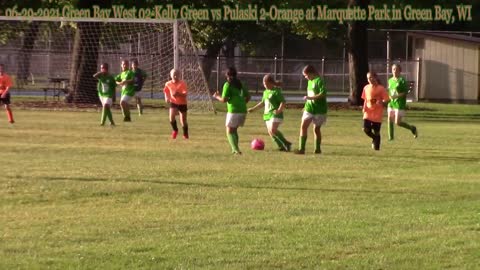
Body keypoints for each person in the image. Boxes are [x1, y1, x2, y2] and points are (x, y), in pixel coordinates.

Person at [248, 74, 291, 151]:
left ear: (272, 83)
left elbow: (283, 102)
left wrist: (279, 110)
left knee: (273, 129)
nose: (265, 85)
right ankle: (281, 146)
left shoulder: (276, 91)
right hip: (267, 115)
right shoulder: (265, 92)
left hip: (275, 114)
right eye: (264, 84)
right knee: (271, 132)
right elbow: (262, 103)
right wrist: (253, 109)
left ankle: (286, 143)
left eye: (267, 84)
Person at [213, 67, 250, 155]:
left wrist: (216, 96)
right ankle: (235, 149)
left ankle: (236, 150)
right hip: (243, 110)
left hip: (233, 110)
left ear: (227, 75)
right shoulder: (240, 83)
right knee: (234, 130)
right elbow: (248, 97)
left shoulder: (228, 84)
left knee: (229, 131)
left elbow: (224, 99)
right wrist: (241, 103)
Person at [294, 65, 327, 155]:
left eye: (306, 75)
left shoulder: (319, 81)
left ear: (312, 73)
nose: (306, 77)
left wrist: (310, 98)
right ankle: (302, 149)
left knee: (316, 129)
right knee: (303, 125)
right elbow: (309, 94)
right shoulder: (310, 82)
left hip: (319, 109)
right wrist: (305, 105)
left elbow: (323, 94)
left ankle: (317, 149)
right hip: (309, 108)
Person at [387, 64, 418, 140]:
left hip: (399, 103)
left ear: (400, 71)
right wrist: (388, 97)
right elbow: (390, 91)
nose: (395, 71)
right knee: (389, 118)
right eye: (393, 69)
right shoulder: (390, 80)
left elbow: (405, 92)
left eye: (397, 69)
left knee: (397, 123)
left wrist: (396, 96)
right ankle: (391, 137)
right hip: (391, 103)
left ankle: (412, 128)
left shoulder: (402, 80)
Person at [362, 71, 390, 151]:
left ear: (375, 77)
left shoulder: (381, 88)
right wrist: (364, 108)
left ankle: (377, 147)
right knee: (365, 129)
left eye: (371, 77)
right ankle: (374, 138)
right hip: (368, 112)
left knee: (376, 131)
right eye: (368, 78)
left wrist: (381, 102)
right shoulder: (366, 88)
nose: (369, 79)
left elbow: (387, 100)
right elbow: (366, 99)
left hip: (377, 113)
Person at [163, 69, 189, 139]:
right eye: (174, 74)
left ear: (179, 75)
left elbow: (185, 94)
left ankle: (185, 134)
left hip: (182, 103)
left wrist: (178, 94)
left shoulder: (182, 83)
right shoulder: (168, 83)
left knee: (183, 121)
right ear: (170, 75)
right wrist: (166, 97)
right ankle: (175, 130)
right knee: (171, 118)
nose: (175, 76)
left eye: (177, 74)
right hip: (173, 102)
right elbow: (166, 91)